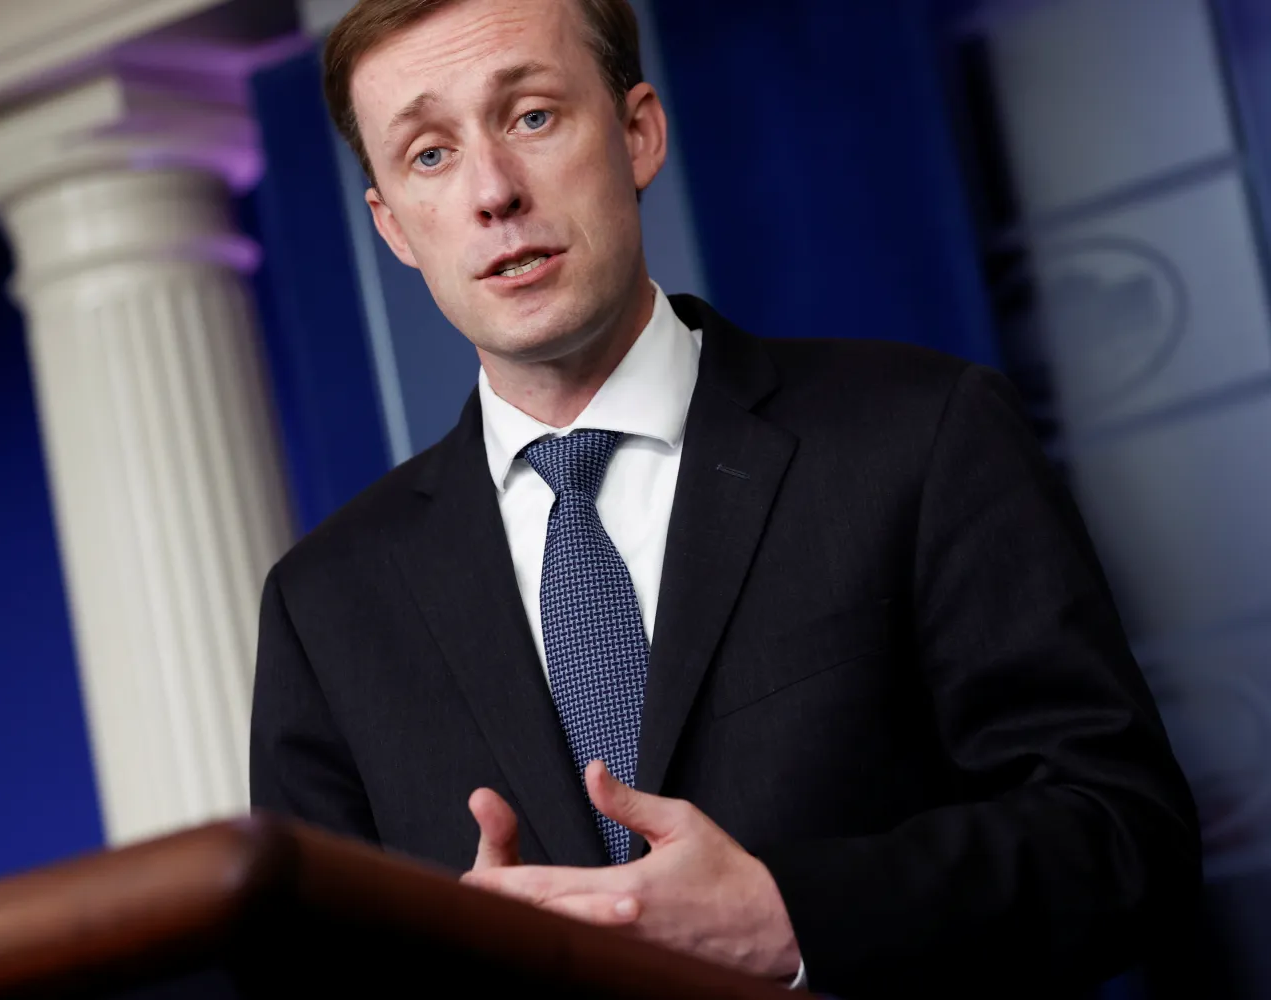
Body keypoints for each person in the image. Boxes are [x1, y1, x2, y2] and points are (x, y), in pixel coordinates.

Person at [249, 0, 1201, 994]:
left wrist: (792, 916)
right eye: (430, 154)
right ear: (393, 226)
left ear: (637, 133)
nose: (494, 191)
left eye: (531, 116)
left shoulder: (921, 434)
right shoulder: (327, 606)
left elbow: (1125, 835)